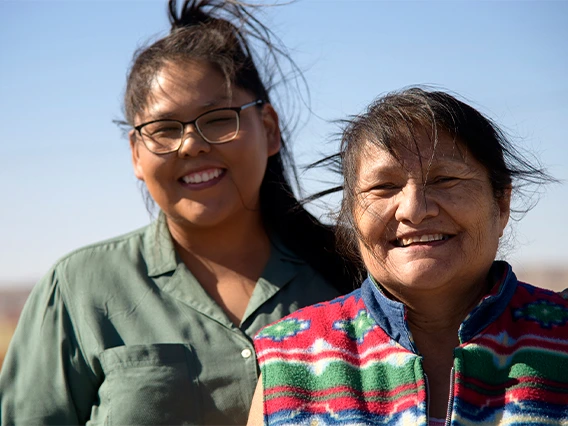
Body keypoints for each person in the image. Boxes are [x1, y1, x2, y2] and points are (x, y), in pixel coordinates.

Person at [0, 1, 359, 424]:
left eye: (218, 119)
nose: (191, 145)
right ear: (136, 153)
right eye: (165, 129)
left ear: (270, 128)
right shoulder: (79, 288)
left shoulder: (355, 269)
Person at [248, 87, 568, 425]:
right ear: (352, 215)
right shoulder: (291, 358)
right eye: (384, 187)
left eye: (445, 179)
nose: (414, 210)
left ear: (501, 204)